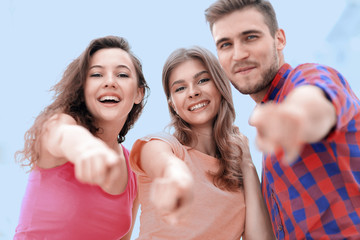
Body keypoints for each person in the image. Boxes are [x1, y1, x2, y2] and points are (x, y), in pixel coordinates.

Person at [205, 0, 360, 239]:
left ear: (279, 39)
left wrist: (296, 117)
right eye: (225, 44)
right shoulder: (269, 151)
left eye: (250, 37)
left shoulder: (307, 77)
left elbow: (317, 100)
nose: (238, 54)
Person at [130, 46, 274, 239]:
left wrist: (247, 164)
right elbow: (159, 161)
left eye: (203, 80)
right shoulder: (161, 145)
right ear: (172, 103)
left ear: (220, 85)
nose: (193, 92)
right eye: (180, 88)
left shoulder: (238, 171)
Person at [14, 35, 149, 240]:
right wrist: (86, 148)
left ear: (139, 93)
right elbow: (64, 136)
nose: (110, 82)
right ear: (83, 89)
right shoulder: (58, 125)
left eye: (122, 74)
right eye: (96, 75)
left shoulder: (134, 172)